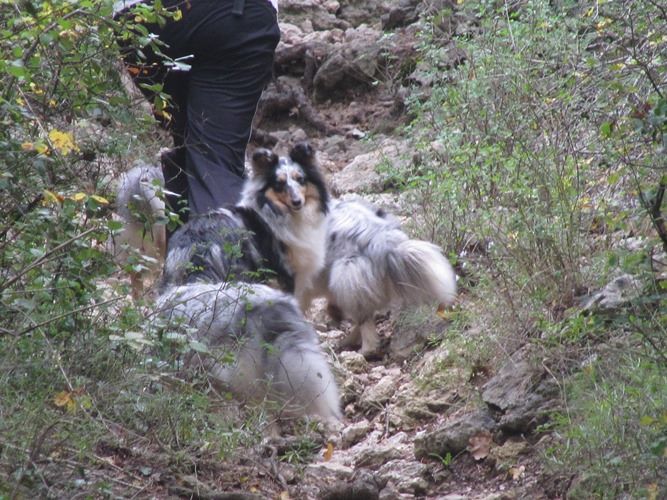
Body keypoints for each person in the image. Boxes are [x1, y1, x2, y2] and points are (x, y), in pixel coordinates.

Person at [113, 0, 280, 224]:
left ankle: (179, 246)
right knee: (214, 159)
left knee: (187, 147)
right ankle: (219, 248)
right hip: (235, 16)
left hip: (141, 17)